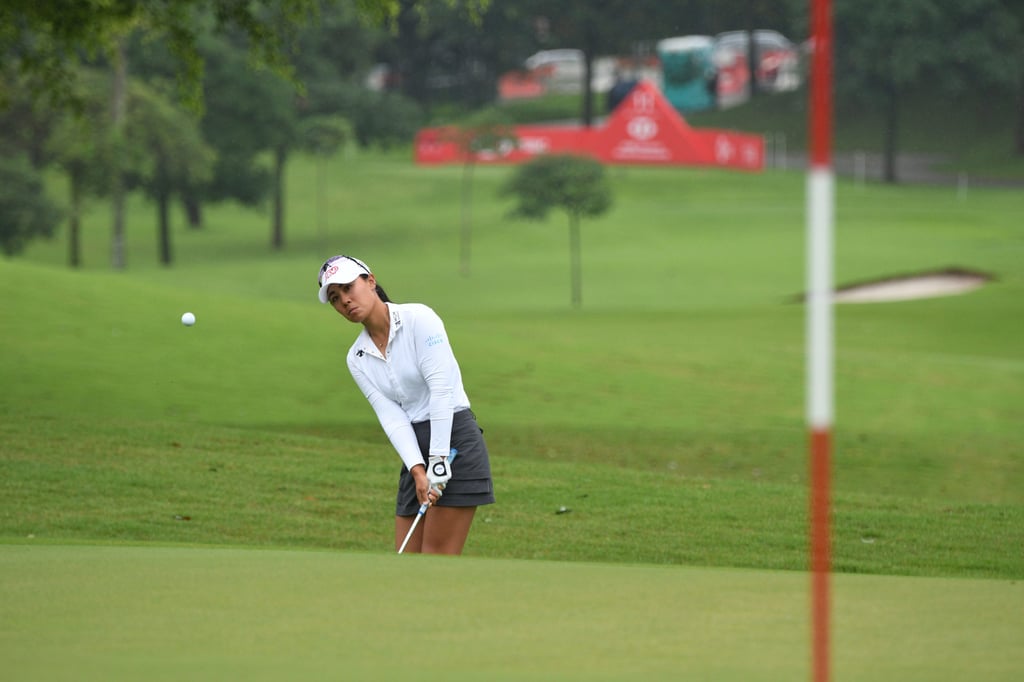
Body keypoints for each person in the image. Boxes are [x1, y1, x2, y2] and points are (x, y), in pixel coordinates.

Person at [316, 255, 494, 555]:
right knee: (406, 559)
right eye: (335, 298)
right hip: (415, 453)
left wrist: (437, 458)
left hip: (453, 441)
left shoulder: (419, 318)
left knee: (435, 557)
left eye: (348, 288)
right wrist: (418, 470)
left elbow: (441, 389)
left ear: (370, 281)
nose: (344, 301)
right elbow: (391, 416)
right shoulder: (357, 357)